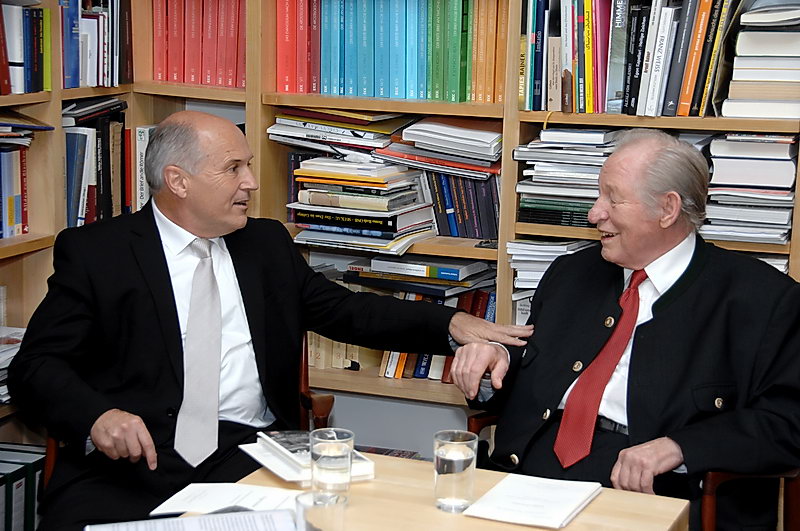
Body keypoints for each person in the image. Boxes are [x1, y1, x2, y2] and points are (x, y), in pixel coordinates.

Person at [8, 111, 532, 530]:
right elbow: (35, 368)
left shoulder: (264, 244)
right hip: (131, 462)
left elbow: (348, 311)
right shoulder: (99, 253)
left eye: (249, 166)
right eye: (233, 168)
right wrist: (98, 417)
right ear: (178, 181)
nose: (252, 183)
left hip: (250, 454)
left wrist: (450, 325)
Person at [450, 129, 800, 529]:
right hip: (529, 474)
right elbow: (536, 367)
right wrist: (494, 360)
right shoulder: (571, 274)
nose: (594, 214)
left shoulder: (762, 300)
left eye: (612, 199)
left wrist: (680, 447)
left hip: (658, 494)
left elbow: (787, 423)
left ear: (667, 209)